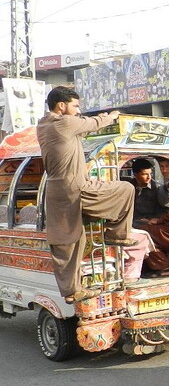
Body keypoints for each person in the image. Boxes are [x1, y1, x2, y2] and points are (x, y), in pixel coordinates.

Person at [36, 86, 136, 304]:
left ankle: (71, 291)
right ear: (61, 106)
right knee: (126, 189)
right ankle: (116, 235)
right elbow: (94, 124)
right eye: (76, 106)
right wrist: (112, 116)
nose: (78, 110)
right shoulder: (65, 122)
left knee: (70, 241)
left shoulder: (43, 125)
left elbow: (83, 130)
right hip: (76, 187)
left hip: (56, 192)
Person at [127, 158, 169, 228]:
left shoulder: (158, 188)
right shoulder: (128, 187)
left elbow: (166, 210)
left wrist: (154, 219)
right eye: (145, 174)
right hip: (132, 222)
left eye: (150, 174)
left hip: (152, 223)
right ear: (135, 174)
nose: (149, 177)